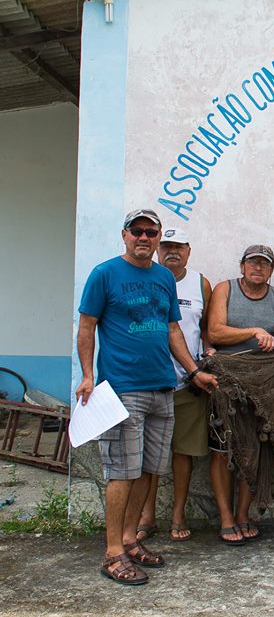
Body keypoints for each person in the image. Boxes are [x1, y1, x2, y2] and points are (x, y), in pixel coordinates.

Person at [76, 209, 218, 586]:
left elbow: (173, 329)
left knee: (149, 469)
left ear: (157, 238)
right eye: (137, 231)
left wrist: (193, 371)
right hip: (123, 388)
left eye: (150, 232)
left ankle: (129, 540)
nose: (144, 237)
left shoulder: (162, 278)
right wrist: (89, 376)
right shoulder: (104, 274)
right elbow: (87, 326)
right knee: (122, 471)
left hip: (162, 388)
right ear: (125, 235)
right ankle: (112, 553)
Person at [207, 244, 274, 545]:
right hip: (225, 385)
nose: (258, 268)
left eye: (264, 264)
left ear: (272, 270)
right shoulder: (224, 290)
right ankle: (226, 517)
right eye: (252, 263)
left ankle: (242, 513)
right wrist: (253, 331)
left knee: (253, 450)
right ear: (242, 266)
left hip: (263, 388)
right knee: (222, 451)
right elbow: (214, 332)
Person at [136, 228, 215, 543]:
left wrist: (208, 351)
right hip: (150, 382)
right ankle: (146, 515)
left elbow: (206, 326)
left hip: (188, 382)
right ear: (157, 248)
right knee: (149, 455)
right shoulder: (145, 279)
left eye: (178, 246)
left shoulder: (200, 284)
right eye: (166, 246)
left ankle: (179, 513)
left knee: (184, 453)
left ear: (188, 250)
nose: (172, 251)